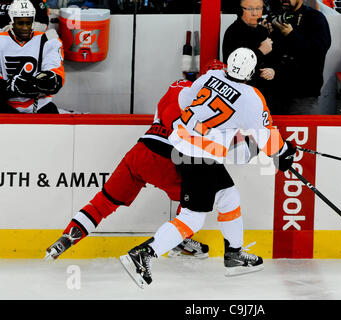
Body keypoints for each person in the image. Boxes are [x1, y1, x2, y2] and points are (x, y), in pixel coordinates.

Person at [119, 47, 296, 288]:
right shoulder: (251, 98)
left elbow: (184, 102)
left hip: (184, 149)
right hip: (199, 158)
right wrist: (284, 153)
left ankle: (234, 255)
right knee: (192, 219)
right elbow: (265, 136)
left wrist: (213, 132)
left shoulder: (208, 77)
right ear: (251, 72)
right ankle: (144, 254)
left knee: (228, 196)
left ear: (228, 65)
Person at [44, 59, 256, 261]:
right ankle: (178, 240)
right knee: (197, 194)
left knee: (104, 201)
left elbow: (165, 116)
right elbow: (222, 146)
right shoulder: (221, 103)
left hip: (142, 150)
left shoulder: (178, 86)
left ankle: (65, 239)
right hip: (170, 158)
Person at [261, 0, 331, 115]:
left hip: (303, 95)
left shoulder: (315, 18)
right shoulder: (276, 17)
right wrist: (265, 33)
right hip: (274, 93)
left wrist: (292, 35)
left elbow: (318, 51)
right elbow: (270, 53)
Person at [0, 0, 64, 114]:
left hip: (40, 104)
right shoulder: (1, 40)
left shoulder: (48, 39)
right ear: (12, 22)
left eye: (28, 23)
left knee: (51, 113)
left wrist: (50, 80)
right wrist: (10, 86)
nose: (25, 28)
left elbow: (56, 77)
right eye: (20, 23)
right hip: (7, 104)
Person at [222, 0, 277, 107]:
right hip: (242, 98)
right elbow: (235, 68)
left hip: (266, 96)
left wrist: (273, 70)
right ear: (240, 10)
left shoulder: (263, 30)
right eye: (250, 9)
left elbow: (275, 58)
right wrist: (261, 51)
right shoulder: (233, 32)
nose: (255, 13)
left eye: (258, 8)